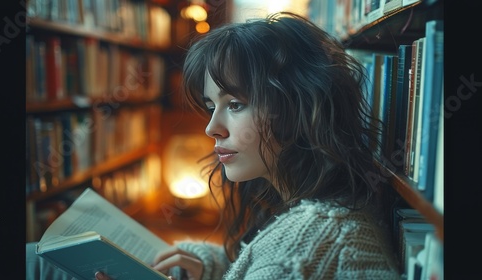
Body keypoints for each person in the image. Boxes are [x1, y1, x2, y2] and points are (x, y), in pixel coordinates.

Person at [27, 12, 401, 280]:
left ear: (300, 107)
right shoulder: (324, 216)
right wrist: (214, 265)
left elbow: (285, 264)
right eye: (211, 107)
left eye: (235, 105)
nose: (212, 128)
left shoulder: (310, 242)